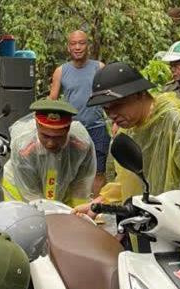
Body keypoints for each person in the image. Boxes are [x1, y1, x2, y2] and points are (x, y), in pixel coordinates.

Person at [76, 62, 180, 278]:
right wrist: (100, 204)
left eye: (117, 105)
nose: (112, 114)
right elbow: (129, 182)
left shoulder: (178, 123)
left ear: (141, 94)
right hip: (150, 233)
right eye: (106, 109)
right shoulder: (130, 131)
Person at [1, 98, 96, 207]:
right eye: (45, 136)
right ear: (37, 125)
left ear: (68, 128)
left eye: (58, 137)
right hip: (21, 187)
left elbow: (82, 183)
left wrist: (79, 214)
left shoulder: (81, 143)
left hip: (61, 185)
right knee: (29, 219)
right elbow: (31, 195)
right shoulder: (24, 147)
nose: (51, 143)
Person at [49, 30, 109, 195]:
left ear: (87, 45)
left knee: (99, 171)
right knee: (70, 171)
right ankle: (70, 211)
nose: (77, 47)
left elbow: (108, 98)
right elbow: (52, 100)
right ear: (68, 47)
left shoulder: (99, 67)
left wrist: (117, 122)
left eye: (81, 43)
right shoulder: (61, 71)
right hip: (72, 130)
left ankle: (97, 212)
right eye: (73, 44)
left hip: (97, 128)